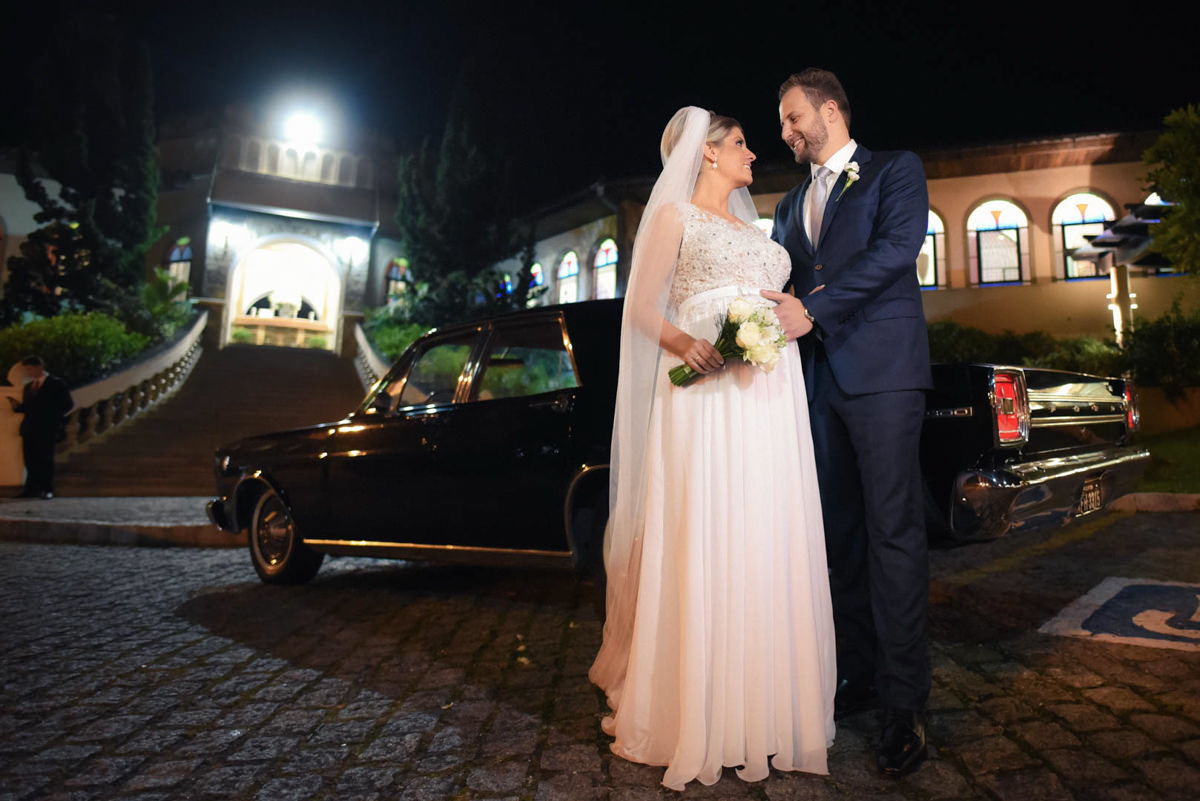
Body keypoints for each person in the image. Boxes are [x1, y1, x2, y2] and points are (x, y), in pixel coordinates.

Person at [590, 106, 835, 791]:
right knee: (710, 529)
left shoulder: (759, 230)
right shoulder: (675, 219)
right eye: (742, 143)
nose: (754, 153)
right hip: (706, 392)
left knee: (765, 531)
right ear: (708, 152)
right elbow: (641, 308)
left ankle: (766, 706)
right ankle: (696, 708)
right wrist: (685, 343)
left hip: (771, 397)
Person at [761, 68, 933, 777]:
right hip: (814, 385)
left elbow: (896, 251)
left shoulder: (895, 170)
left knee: (893, 532)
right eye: (781, 122)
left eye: (792, 117)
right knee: (838, 537)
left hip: (884, 375)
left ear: (830, 109)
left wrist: (814, 308)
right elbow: (777, 283)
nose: (785, 132)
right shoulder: (787, 203)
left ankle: (904, 702)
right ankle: (856, 673)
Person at [7, 356, 74, 499]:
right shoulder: (28, 387)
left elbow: (67, 404)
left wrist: (51, 417)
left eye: (30, 369)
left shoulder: (55, 384)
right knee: (30, 460)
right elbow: (30, 407)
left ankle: (47, 489)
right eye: (26, 370)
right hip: (29, 429)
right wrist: (17, 407)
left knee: (46, 459)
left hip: (47, 429)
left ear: (39, 368)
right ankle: (31, 489)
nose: (28, 372)